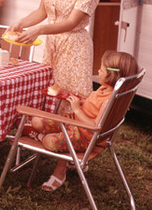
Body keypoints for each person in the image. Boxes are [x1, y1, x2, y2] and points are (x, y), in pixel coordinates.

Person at [25, 51, 140, 191]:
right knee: (37, 121)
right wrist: (81, 101)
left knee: (49, 141)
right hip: (74, 122)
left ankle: (39, 136)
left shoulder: (109, 101)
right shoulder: (105, 89)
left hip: (84, 136)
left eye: (101, 70)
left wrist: (77, 109)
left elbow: (95, 126)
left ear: (112, 75)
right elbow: (93, 106)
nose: (98, 71)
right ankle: (38, 133)